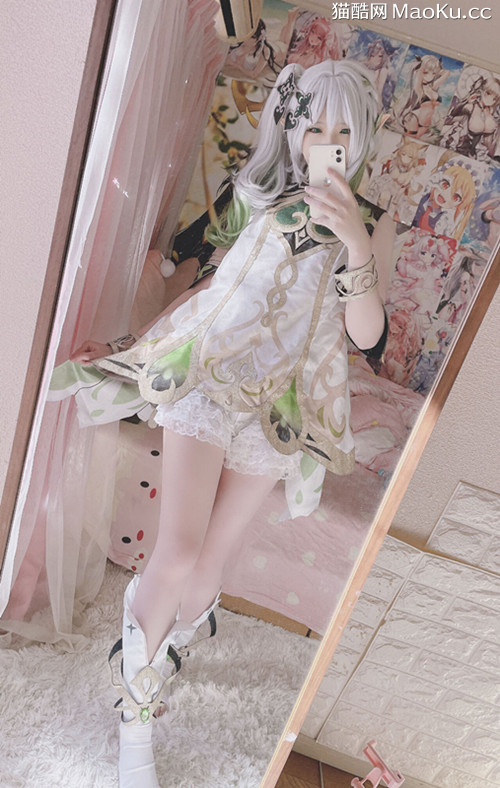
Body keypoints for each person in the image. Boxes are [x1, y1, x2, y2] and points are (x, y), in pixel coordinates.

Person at [69, 59, 394, 788]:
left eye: (345, 129)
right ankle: (135, 722)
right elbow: (206, 293)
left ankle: (153, 656)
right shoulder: (253, 193)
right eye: (315, 125)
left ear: (362, 136)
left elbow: (368, 337)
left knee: (209, 566)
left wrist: (356, 243)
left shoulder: (371, 224)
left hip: (281, 406)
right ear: (292, 127)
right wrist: (130, 346)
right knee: (179, 550)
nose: (329, 141)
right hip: (212, 377)